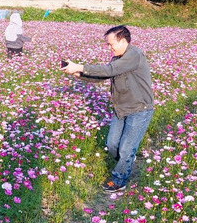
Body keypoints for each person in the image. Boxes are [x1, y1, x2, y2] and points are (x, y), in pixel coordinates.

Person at [62, 25, 154, 192]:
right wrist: (79, 74)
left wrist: (81, 66)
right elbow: (104, 75)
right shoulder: (117, 59)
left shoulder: (134, 55)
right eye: (108, 45)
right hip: (121, 108)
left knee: (126, 147)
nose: (110, 48)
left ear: (124, 40)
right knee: (112, 144)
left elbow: (110, 70)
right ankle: (126, 163)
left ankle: (119, 180)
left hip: (140, 109)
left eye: (112, 44)